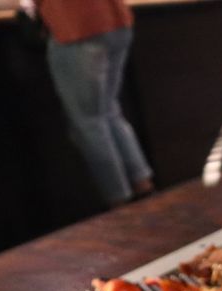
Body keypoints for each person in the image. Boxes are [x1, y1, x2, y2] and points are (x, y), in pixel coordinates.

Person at [36, 0, 155, 207]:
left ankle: (119, 204)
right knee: (107, 111)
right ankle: (143, 189)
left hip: (77, 27)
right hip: (114, 21)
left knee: (88, 122)